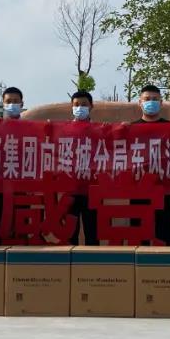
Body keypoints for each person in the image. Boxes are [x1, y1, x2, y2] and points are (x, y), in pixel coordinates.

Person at [132, 85, 170, 245]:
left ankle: (165, 260)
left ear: (161, 103)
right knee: (139, 232)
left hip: (164, 188)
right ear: (140, 102)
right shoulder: (131, 128)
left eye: (155, 99)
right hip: (138, 190)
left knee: (164, 232)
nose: (151, 102)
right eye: (147, 99)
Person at [0, 86, 24, 245]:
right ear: (3, 104)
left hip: (22, 181)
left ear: (22, 104)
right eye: (8, 101)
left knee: (21, 219)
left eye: (16, 101)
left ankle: (21, 253)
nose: (12, 104)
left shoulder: (30, 127)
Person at [67, 90, 99, 246]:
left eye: (84, 104)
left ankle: (94, 260)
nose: (80, 107)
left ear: (91, 106)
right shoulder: (64, 130)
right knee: (70, 232)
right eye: (76, 104)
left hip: (92, 188)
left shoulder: (99, 130)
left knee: (92, 231)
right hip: (70, 188)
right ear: (71, 107)